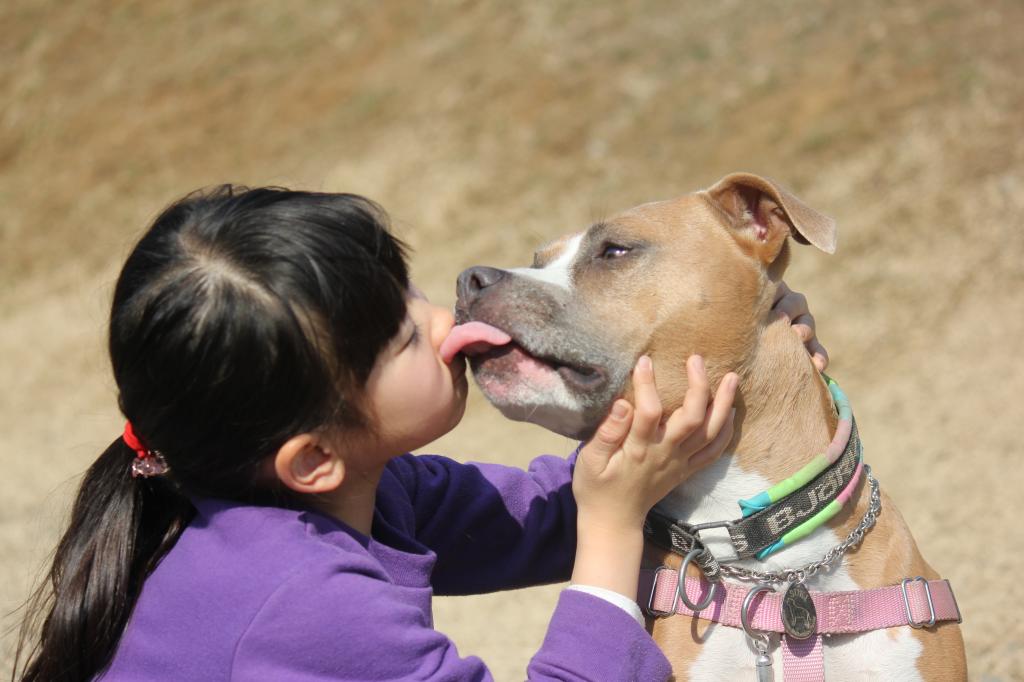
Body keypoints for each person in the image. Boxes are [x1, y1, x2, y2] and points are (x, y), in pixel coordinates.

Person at [14, 186, 825, 681]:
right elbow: (596, 514)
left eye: (405, 290)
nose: (443, 316)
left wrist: (728, 349)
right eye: (401, 338)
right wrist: (612, 529)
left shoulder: (339, 496)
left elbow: (545, 511)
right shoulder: (306, 607)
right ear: (313, 457)